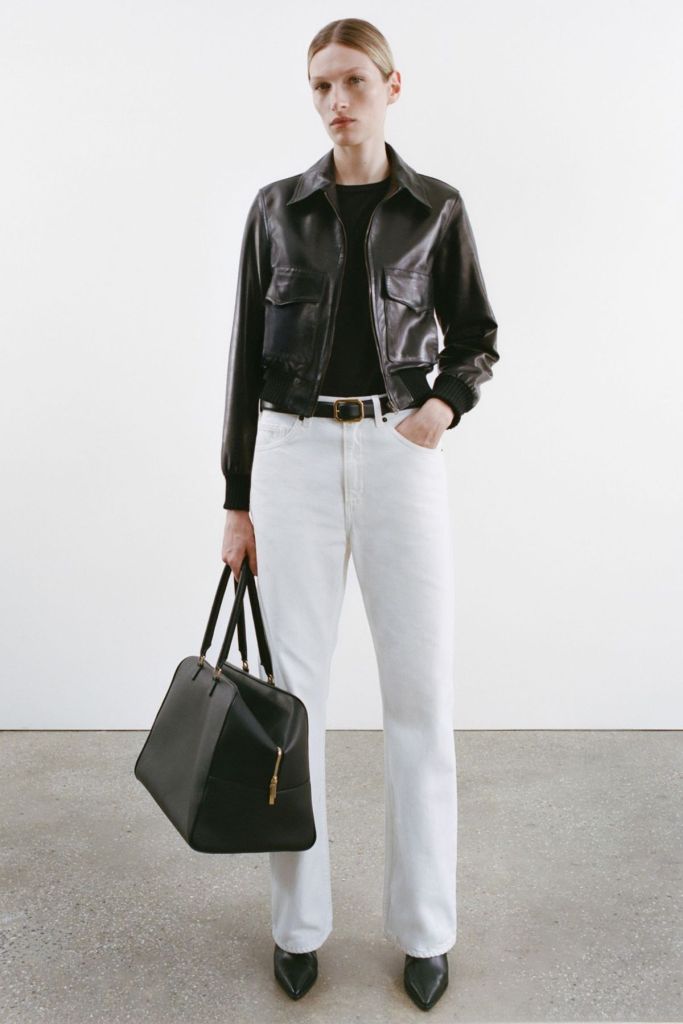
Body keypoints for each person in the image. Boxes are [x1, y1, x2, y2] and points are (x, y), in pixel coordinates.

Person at [220, 18, 498, 1012]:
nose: (335, 101)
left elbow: (475, 335)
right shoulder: (274, 209)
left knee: (419, 699)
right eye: (319, 86)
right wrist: (235, 500)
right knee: (291, 703)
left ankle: (425, 930)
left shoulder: (435, 208)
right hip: (291, 456)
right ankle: (297, 927)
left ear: (390, 85)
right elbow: (242, 361)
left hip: (397, 453)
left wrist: (438, 409)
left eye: (352, 82)